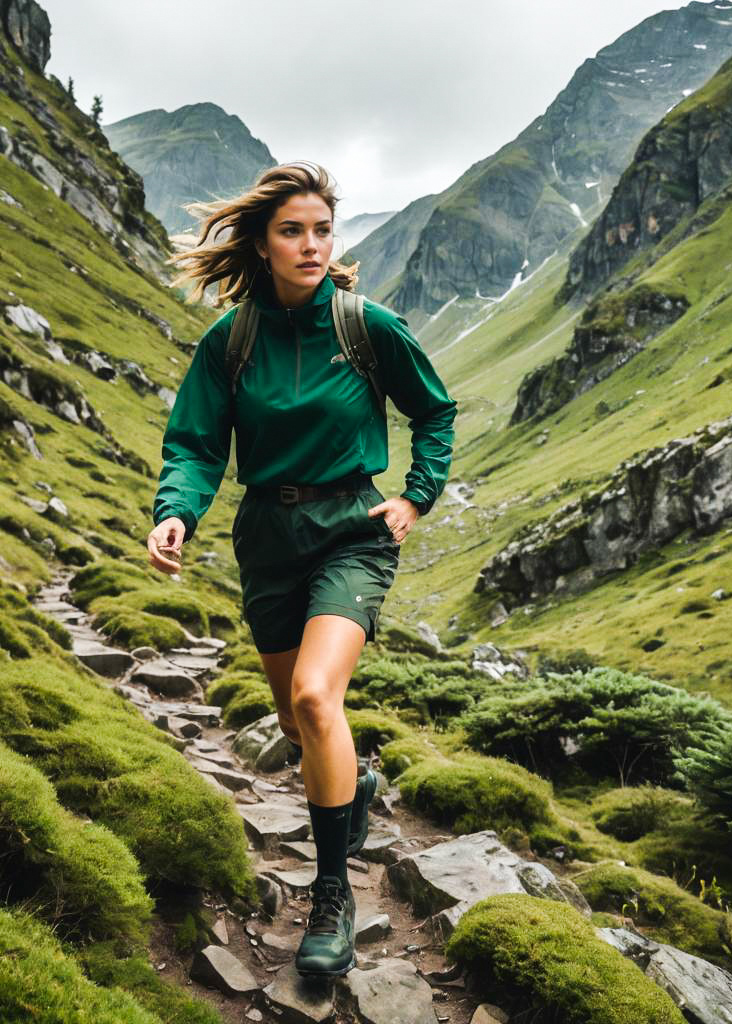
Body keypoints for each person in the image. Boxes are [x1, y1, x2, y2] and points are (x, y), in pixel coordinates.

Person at [146, 161, 457, 978]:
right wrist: (176, 509)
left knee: (320, 698)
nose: (312, 243)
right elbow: (196, 442)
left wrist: (415, 498)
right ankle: (349, 790)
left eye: (322, 229)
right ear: (263, 241)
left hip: (351, 528)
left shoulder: (366, 325)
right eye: (293, 230)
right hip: (267, 538)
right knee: (295, 722)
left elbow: (435, 410)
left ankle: (332, 896)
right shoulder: (233, 340)